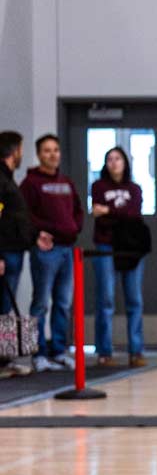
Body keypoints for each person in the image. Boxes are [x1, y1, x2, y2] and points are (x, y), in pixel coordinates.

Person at [21, 134, 82, 372]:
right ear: (38, 154)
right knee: (40, 303)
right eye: (47, 150)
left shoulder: (67, 182)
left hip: (67, 249)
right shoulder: (30, 183)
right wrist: (42, 231)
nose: (52, 154)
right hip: (45, 250)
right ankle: (36, 354)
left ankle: (59, 350)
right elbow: (24, 214)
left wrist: (75, 228)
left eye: (56, 150)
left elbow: (77, 210)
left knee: (63, 302)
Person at [90, 147, 147, 367]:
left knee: (134, 300)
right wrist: (110, 214)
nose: (114, 163)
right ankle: (104, 352)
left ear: (125, 162)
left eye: (118, 159)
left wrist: (109, 211)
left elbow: (134, 214)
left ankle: (136, 350)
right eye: (109, 159)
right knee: (106, 299)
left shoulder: (135, 188)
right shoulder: (98, 186)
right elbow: (98, 215)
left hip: (131, 247)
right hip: (105, 246)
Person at [0, 132, 35, 378]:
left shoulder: (8, 179)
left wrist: (34, 236)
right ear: (14, 151)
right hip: (5, 253)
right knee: (2, 307)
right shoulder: (1, 180)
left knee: (4, 307)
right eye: (21, 149)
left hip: (14, 250)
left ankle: (5, 358)